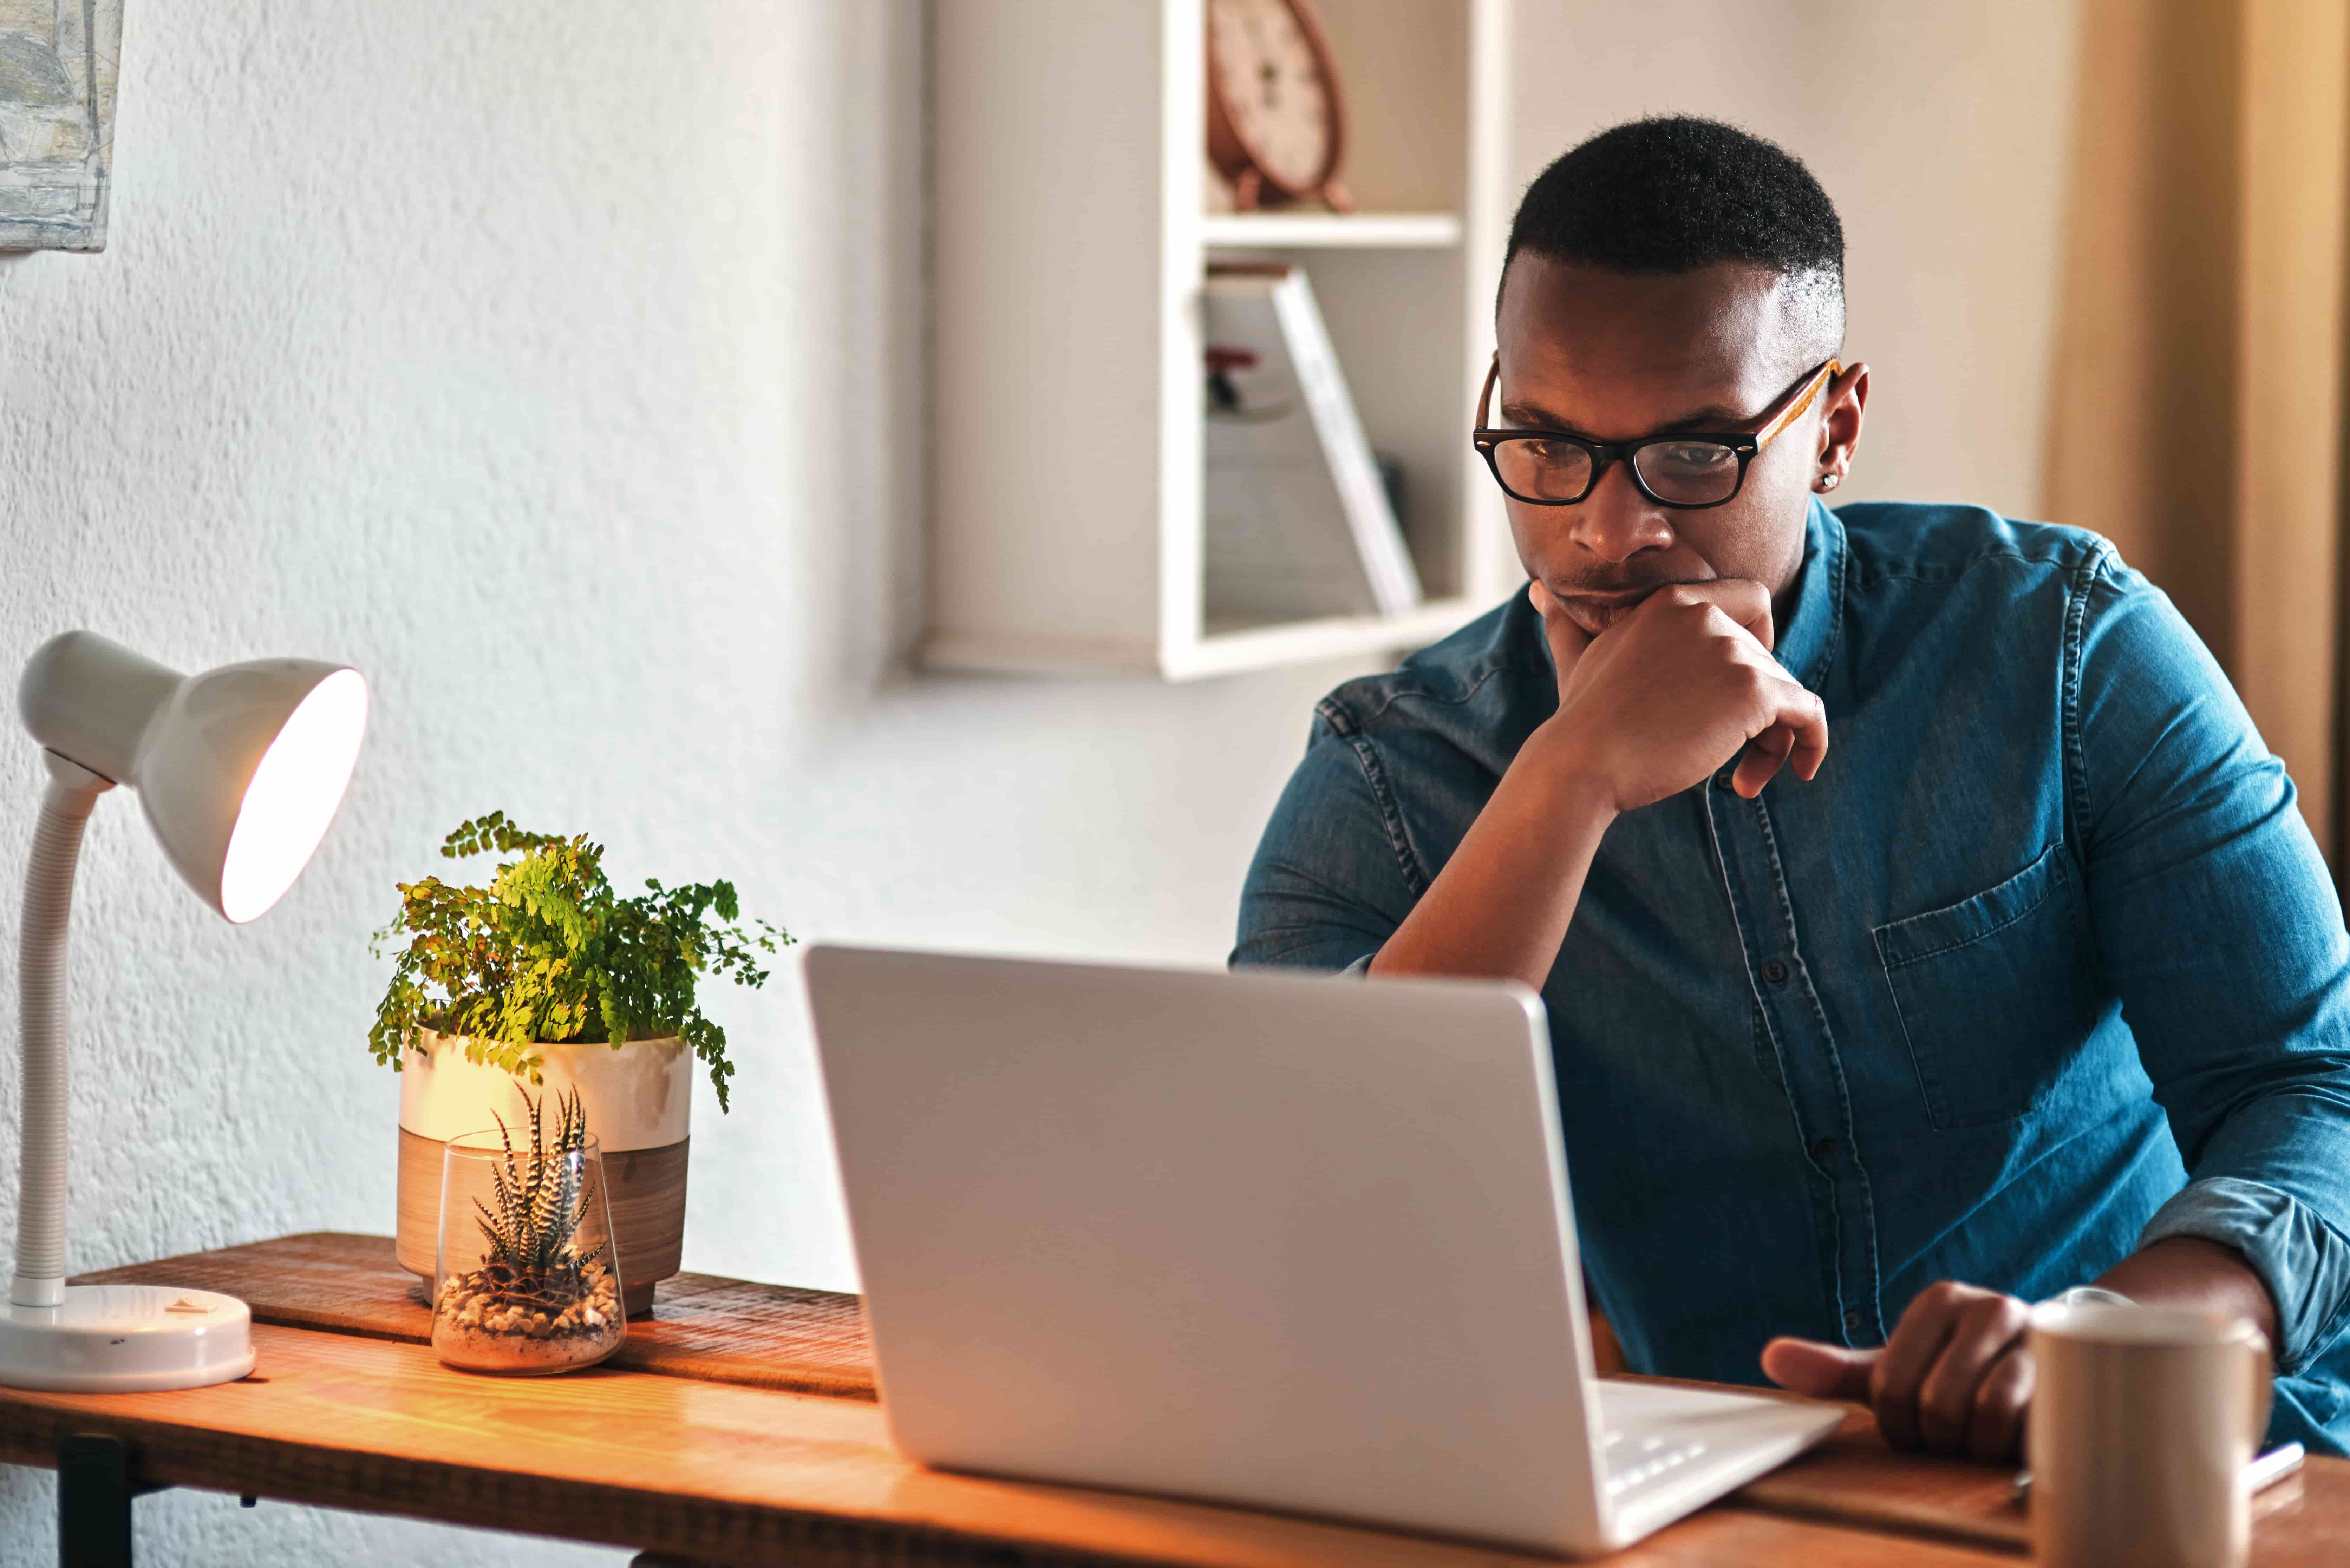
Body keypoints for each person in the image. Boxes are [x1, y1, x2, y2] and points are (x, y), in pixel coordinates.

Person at [1232, 115, 2350, 1460]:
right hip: (1725, 1503)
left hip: (2173, 1454)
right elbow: (1302, 1177)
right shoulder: (1393, 763)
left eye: (1696, 455)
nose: (1607, 529)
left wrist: (2117, 1341)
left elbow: (2312, 1085)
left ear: (1834, 429)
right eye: (1543, 444)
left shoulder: (2063, 644)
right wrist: (1569, 780)